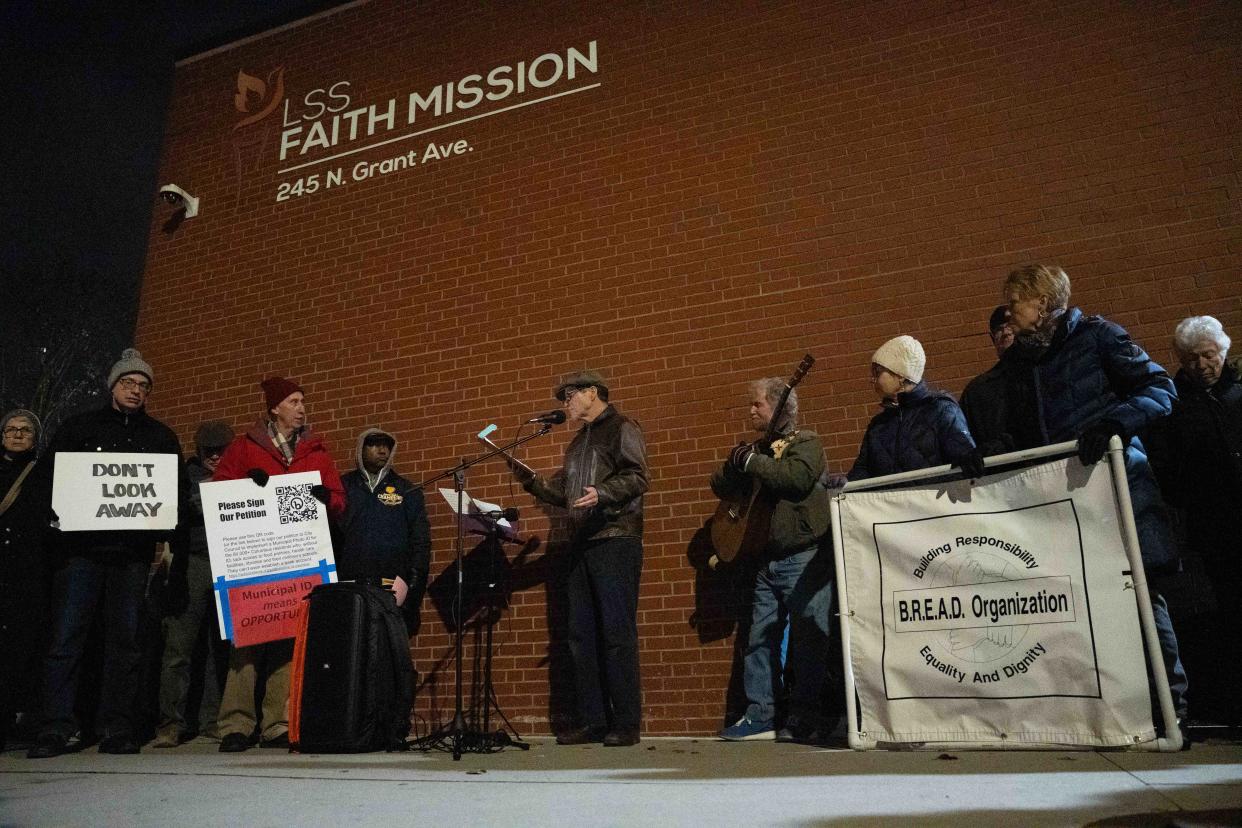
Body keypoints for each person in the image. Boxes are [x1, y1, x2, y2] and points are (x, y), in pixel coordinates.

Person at [979, 264, 1188, 725]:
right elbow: (1024, 433)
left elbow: (1160, 387)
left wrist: (1116, 424)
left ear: (1043, 301)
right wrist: (997, 448)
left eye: (1016, 300)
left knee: (1139, 599)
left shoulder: (1100, 337)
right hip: (1064, 507)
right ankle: (1112, 712)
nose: (1009, 310)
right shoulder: (1023, 363)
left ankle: (1169, 710)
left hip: (1118, 492)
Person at [28, 349, 191, 758]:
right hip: (80, 553)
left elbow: (175, 493)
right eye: (128, 383)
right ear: (112, 386)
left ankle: (117, 727)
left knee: (126, 643)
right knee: (67, 638)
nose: (135, 391)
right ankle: (56, 727)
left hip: (131, 555)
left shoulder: (161, 437)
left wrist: (169, 523)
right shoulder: (78, 428)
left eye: (143, 386)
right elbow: (49, 483)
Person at [512, 370, 648, 747]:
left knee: (616, 634)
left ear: (592, 393)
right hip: (581, 544)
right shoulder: (576, 444)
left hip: (615, 540)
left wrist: (603, 493)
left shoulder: (621, 426)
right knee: (580, 635)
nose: (565, 403)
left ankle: (626, 723)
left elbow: (637, 476)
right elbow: (566, 494)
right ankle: (593, 721)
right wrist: (530, 480)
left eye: (569, 395)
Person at [212, 377, 345, 752]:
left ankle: (278, 723)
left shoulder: (317, 452)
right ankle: (236, 724)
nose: (302, 407)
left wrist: (326, 500)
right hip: (252, 553)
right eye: (294, 401)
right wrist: (246, 488)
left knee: (289, 638)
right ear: (275, 408)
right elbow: (220, 490)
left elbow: (338, 499)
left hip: (297, 555)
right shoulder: (243, 447)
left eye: (303, 400)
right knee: (246, 638)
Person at [711, 378, 832, 742]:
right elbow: (719, 485)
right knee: (759, 639)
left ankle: (805, 716)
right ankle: (761, 715)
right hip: (765, 559)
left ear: (779, 408)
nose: (751, 411)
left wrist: (754, 462)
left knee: (810, 638)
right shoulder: (756, 450)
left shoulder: (806, 442)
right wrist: (737, 465)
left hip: (803, 555)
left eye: (757, 405)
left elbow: (795, 479)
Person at [1148, 316, 1241, 728]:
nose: (1202, 364)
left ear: (1223, 351)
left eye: (1208, 355)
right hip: (1213, 526)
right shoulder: (1174, 406)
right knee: (1228, 612)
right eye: (1191, 358)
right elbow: (1168, 469)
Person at [152, 420, 234, 747]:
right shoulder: (183, 478)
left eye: (221, 451)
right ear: (199, 451)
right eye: (208, 451)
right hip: (194, 562)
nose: (214, 456)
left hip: (230, 562)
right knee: (179, 648)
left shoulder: (242, 477)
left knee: (222, 649)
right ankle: (170, 724)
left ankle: (212, 721)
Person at [848, 335, 984, 482]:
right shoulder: (878, 425)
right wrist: (844, 484)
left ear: (900, 374)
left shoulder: (941, 410)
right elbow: (862, 471)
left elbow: (964, 456)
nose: (872, 379)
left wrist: (966, 456)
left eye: (878, 372)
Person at [337, 427, 431, 634]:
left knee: (387, 657)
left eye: (387, 445)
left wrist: (412, 591)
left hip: (391, 590)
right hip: (349, 588)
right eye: (374, 444)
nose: (382, 450)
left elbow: (420, 544)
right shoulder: (342, 487)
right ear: (361, 448)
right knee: (351, 654)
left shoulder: (407, 490)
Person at [0, 410, 48, 750]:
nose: (18, 434)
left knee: (26, 646)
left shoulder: (44, 474)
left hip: (28, 572)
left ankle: (24, 717)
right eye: (11, 429)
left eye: (25, 429)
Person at [961, 306, 1017, 457]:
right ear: (993, 339)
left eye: (1010, 325)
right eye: (999, 329)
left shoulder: (1042, 373)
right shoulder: (976, 391)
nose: (1006, 332)